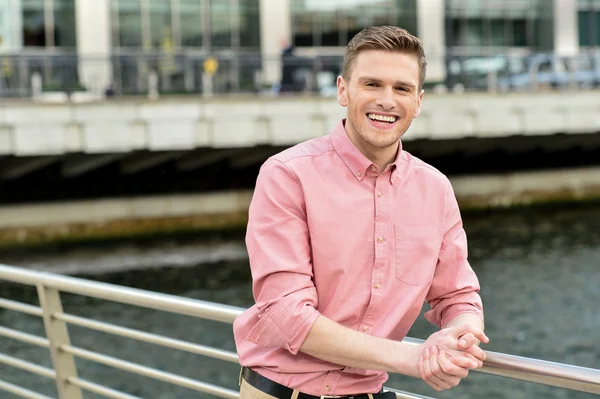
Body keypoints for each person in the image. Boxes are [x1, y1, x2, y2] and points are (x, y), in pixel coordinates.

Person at [233, 25, 489, 399]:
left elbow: (458, 295)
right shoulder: (287, 174)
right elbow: (285, 314)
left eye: (401, 89)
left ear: (418, 102)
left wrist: (460, 339)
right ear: (342, 90)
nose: (387, 100)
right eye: (372, 84)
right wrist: (413, 358)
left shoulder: (435, 189)